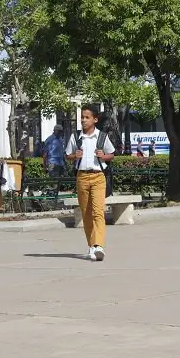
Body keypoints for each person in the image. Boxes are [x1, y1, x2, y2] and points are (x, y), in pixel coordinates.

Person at [65, 105, 115, 261]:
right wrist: (75, 155)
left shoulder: (102, 136)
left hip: (98, 176)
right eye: (82, 117)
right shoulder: (75, 136)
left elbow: (111, 154)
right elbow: (68, 156)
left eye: (87, 117)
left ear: (95, 119)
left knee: (98, 211)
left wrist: (103, 155)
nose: (83, 120)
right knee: (86, 214)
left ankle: (99, 245)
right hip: (82, 177)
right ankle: (92, 246)